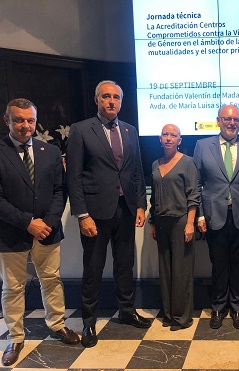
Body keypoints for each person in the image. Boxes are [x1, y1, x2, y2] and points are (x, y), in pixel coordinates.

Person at [66, 80, 150, 348]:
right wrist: (82, 214)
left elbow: (136, 171)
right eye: (106, 97)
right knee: (93, 268)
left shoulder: (130, 130)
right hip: (95, 214)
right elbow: (74, 177)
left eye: (116, 97)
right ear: (97, 100)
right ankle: (88, 323)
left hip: (125, 210)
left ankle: (127, 311)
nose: (111, 101)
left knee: (125, 265)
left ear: (121, 102)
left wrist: (140, 205)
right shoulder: (81, 130)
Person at [0, 99, 79, 366]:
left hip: (47, 230)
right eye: (19, 120)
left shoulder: (51, 151)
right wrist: (27, 222)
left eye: (30, 120)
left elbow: (60, 190)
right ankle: (15, 336)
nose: (25, 126)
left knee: (52, 279)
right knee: (13, 288)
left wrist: (49, 221)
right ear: (7, 120)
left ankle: (57, 325)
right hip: (11, 233)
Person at [193, 104, 239, 330]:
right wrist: (200, 216)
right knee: (218, 265)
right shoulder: (202, 145)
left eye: (236, 119)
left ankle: (237, 307)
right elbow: (196, 183)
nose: (232, 123)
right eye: (227, 119)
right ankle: (217, 307)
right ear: (218, 120)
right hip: (214, 215)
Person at [149, 124, 200, 331]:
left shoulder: (188, 163)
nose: (169, 138)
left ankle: (182, 317)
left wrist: (190, 223)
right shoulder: (155, 164)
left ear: (179, 140)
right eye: (165, 134)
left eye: (173, 135)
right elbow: (154, 197)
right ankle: (169, 314)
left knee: (182, 271)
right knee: (166, 270)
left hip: (181, 222)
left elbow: (193, 195)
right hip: (160, 222)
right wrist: (152, 221)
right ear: (160, 139)